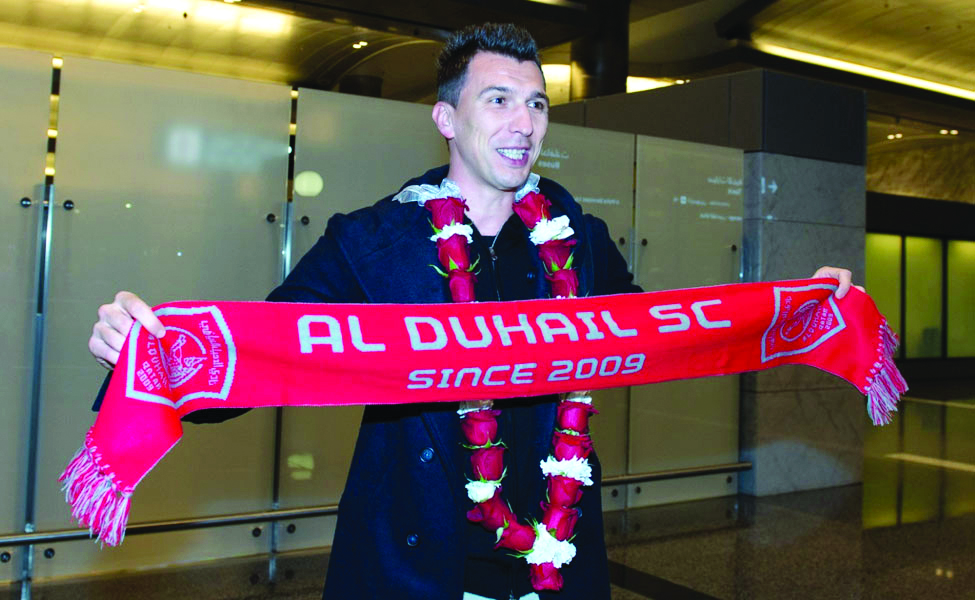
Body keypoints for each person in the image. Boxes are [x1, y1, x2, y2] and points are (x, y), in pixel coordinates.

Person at [88, 23, 858, 600]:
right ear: (447, 119)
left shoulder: (579, 242)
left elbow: (658, 333)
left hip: (555, 555)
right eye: (498, 101)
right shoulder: (371, 243)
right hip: (415, 557)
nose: (523, 123)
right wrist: (145, 352)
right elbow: (266, 359)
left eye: (535, 104)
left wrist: (794, 308)